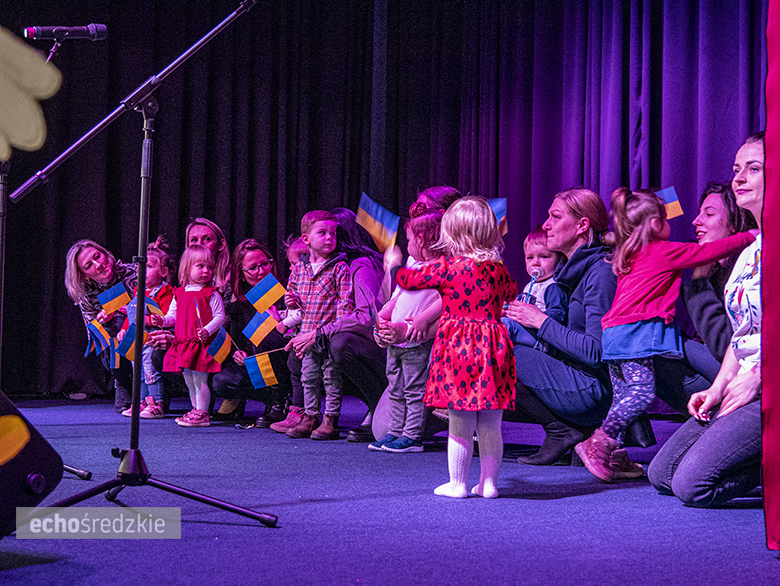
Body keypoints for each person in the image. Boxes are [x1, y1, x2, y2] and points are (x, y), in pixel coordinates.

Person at [574, 188, 755, 482]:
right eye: (666, 216)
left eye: (708, 214)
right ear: (656, 224)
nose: (691, 221)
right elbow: (706, 252)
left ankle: (615, 456)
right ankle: (600, 441)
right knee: (640, 393)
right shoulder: (663, 250)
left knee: (623, 398)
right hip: (635, 336)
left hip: (614, 338)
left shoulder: (630, 254)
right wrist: (751, 236)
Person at [648, 132, 764, 506]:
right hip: (739, 380)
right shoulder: (751, 253)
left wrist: (759, 377)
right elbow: (741, 337)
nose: (740, 178)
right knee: (661, 474)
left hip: (766, 384)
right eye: (737, 169)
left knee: (692, 486)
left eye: (753, 169)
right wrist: (717, 389)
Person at [387, 196, 518, 498]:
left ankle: (457, 483)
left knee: (459, 422)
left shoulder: (448, 267)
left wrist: (394, 267)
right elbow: (510, 293)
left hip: (459, 348)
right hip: (493, 345)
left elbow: (411, 279)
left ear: (452, 234)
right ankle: (489, 484)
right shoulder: (499, 269)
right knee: (490, 423)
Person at [506, 188, 616, 465]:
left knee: (498, 350)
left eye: (555, 216)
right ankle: (563, 430)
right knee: (497, 338)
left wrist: (539, 321)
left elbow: (596, 351)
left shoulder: (600, 272)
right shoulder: (573, 270)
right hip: (569, 371)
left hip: (590, 387)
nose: (546, 224)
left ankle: (562, 430)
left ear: (582, 226)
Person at [370, 209, 443, 453]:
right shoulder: (413, 264)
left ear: (422, 240)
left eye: (410, 239)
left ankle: (411, 436)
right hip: (396, 343)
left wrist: (421, 319)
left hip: (416, 344)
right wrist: (382, 316)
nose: (407, 244)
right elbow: (398, 296)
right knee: (396, 387)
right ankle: (394, 432)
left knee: (414, 390)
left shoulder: (442, 268)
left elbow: (445, 300)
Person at [314, 207, 386, 442]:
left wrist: (323, 330)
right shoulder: (342, 267)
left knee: (339, 344)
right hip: (378, 344)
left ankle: (379, 406)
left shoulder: (361, 265)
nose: (327, 239)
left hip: (383, 347)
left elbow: (367, 317)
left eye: (332, 233)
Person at [284, 210, 354, 440]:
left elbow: (346, 303)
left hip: (327, 336)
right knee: (309, 377)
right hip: (306, 335)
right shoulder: (299, 268)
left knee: (331, 376)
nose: (329, 238)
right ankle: (310, 415)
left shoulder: (339, 268)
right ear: (306, 240)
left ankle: (330, 419)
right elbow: (291, 292)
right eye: (322, 233)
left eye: (333, 233)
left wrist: (336, 330)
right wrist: (290, 300)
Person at [211, 239, 293, 427]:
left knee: (265, 342)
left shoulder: (286, 289)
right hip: (253, 361)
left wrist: (278, 319)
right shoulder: (239, 298)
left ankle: (279, 402)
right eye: (253, 268)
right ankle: (268, 398)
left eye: (265, 263)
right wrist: (236, 353)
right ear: (241, 273)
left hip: (281, 356)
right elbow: (234, 336)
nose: (262, 270)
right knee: (222, 381)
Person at [152, 244, 226, 427]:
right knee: (189, 379)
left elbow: (220, 317)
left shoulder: (211, 294)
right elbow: (172, 316)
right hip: (183, 343)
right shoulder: (179, 293)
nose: (206, 271)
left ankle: (203, 412)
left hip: (201, 344)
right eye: (200, 266)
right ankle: (195, 409)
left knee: (200, 379)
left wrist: (207, 330)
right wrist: (162, 321)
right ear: (187, 268)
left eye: (209, 267)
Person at [682, 182, 757, 362]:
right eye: (699, 213)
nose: (696, 221)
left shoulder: (747, 272)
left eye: (708, 214)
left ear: (734, 222)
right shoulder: (714, 272)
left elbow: (724, 346)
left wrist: (698, 280)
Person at [64, 239, 138, 412]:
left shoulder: (135, 272)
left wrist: (126, 311)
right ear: (84, 275)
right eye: (89, 265)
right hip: (115, 345)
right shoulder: (87, 294)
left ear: (106, 254)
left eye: (98, 257)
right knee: (112, 327)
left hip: (145, 329)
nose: (98, 265)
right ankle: (123, 383)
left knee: (121, 322)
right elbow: (92, 333)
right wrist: (101, 322)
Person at [117, 237, 175, 418]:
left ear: (164, 272)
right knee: (138, 372)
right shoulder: (137, 292)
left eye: (149, 266)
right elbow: (132, 314)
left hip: (153, 339)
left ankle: (156, 403)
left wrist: (150, 320)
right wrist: (124, 329)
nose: (142, 270)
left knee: (151, 371)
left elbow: (167, 318)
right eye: (139, 267)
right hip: (137, 339)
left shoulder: (166, 292)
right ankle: (140, 403)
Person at [502, 226, 567, 350]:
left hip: (542, 340)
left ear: (558, 259)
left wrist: (535, 316)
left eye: (543, 256)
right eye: (530, 257)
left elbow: (558, 316)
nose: (535, 262)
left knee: (506, 326)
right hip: (526, 333)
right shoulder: (531, 285)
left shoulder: (552, 286)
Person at [185, 218, 231, 299]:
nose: (200, 244)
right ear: (188, 246)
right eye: (194, 240)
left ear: (221, 245)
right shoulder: (184, 283)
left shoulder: (232, 280)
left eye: (207, 239)